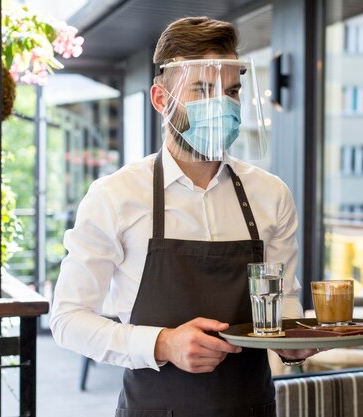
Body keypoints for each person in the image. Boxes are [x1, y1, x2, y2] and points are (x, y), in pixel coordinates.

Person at [50, 16, 317, 417]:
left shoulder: (271, 194)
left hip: (251, 407)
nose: (222, 105)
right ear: (161, 99)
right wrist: (163, 344)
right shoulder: (115, 196)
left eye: (231, 91)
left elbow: (284, 304)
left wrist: (293, 341)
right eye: (202, 89)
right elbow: (68, 319)